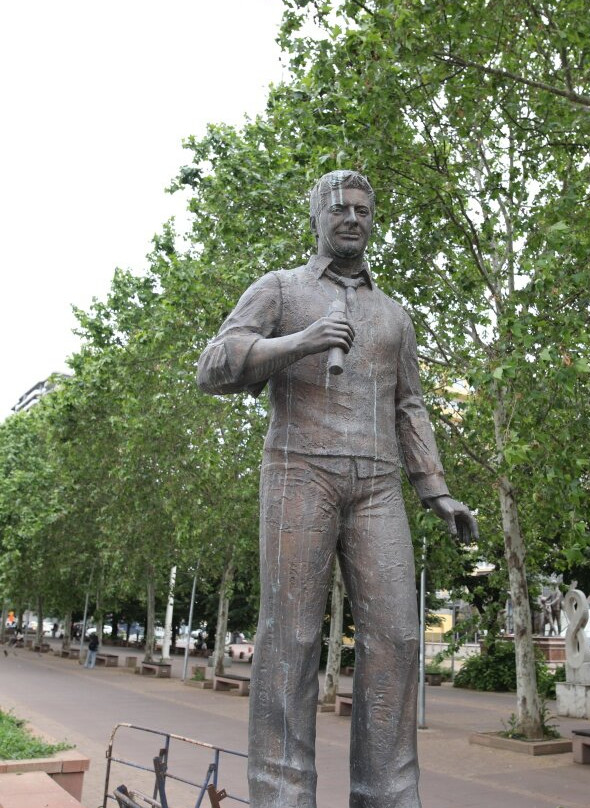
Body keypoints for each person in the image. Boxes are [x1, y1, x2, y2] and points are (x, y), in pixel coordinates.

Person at [197, 170, 478, 808]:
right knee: (291, 638)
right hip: (300, 471)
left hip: (378, 484)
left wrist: (436, 490)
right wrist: (300, 341)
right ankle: (282, 796)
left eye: (362, 210)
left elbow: (410, 405)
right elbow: (213, 367)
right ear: (317, 217)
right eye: (339, 208)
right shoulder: (280, 289)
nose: (352, 218)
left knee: (398, 638)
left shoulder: (394, 314)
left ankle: (386, 796)